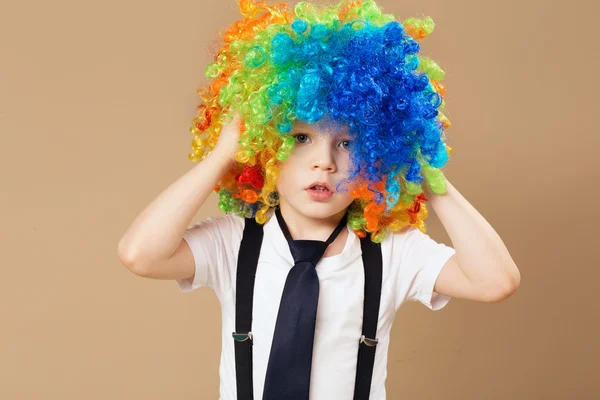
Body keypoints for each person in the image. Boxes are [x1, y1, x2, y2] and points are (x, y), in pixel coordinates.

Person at [117, 1, 521, 399]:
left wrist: (427, 177)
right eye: (300, 138)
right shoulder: (235, 243)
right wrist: (222, 156)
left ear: (380, 153)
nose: (324, 163)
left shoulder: (392, 253)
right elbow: (141, 254)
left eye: (347, 143)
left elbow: (495, 281)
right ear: (264, 145)